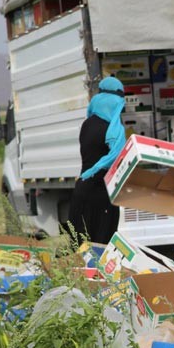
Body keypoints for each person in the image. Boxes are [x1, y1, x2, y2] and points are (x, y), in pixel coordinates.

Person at [67, 76, 127, 244]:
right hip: (102, 197)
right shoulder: (114, 130)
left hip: (82, 192)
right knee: (101, 250)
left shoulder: (87, 124)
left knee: (79, 250)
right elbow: (120, 158)